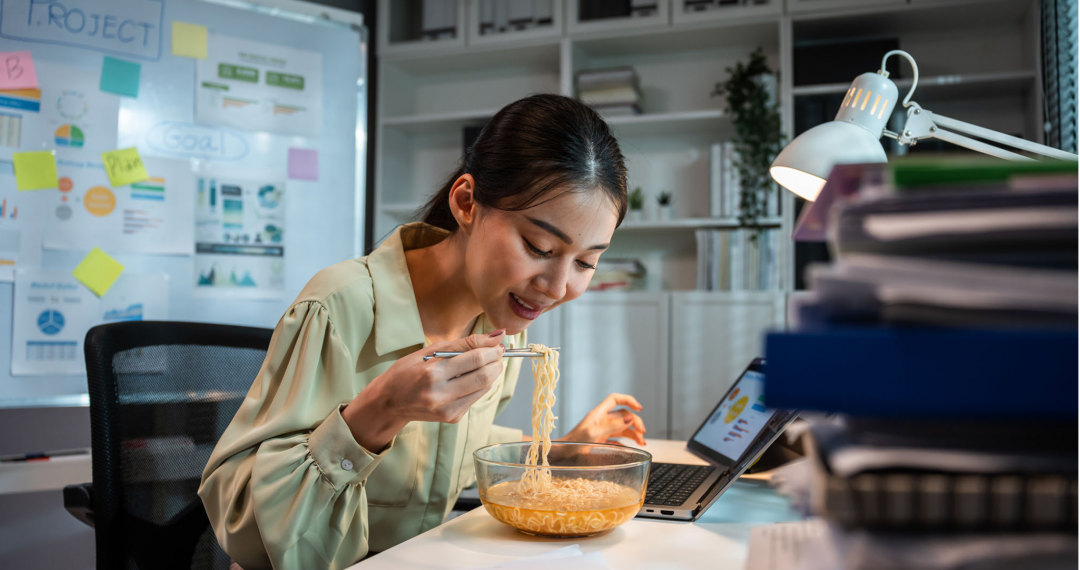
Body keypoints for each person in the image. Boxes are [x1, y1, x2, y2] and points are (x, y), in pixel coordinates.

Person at [199, 94, 647, 570]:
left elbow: (442, 454)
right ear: (467, 203)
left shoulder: (502, 320)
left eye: (585, 262)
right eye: (538, 247)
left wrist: (554, 452)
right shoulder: (338, 306)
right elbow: (240, 522)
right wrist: (379, 412)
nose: (556, 288)